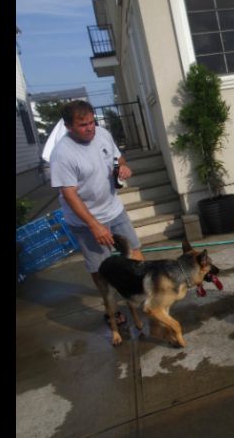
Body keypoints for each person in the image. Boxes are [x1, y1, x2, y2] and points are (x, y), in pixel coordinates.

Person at [50, 100, 145, 327]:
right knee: (101, 269)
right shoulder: (62, 153)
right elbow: (70, 194)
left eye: (92, 122)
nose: (90, 128)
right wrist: (94, 225)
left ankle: (142, 296)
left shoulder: (102, 134)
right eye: (83, 125)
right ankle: (110, 308)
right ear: (69, 126)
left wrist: (123, 168)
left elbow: (117, 159)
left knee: (136, 256)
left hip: (114, 209)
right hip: (85, 222)